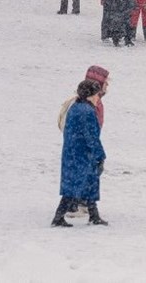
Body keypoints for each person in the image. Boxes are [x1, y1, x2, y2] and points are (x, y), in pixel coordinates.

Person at [51, 79, 107, 227]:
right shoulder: (87, 112)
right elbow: (92, 138)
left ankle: (94, 216)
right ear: (89, 96)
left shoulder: (76, 107)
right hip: (83, 156)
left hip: (72, 154)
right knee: (76, 188)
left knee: (84, 185)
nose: (97, 98)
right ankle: (58, 218)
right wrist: (100, 155)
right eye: (96, 94)